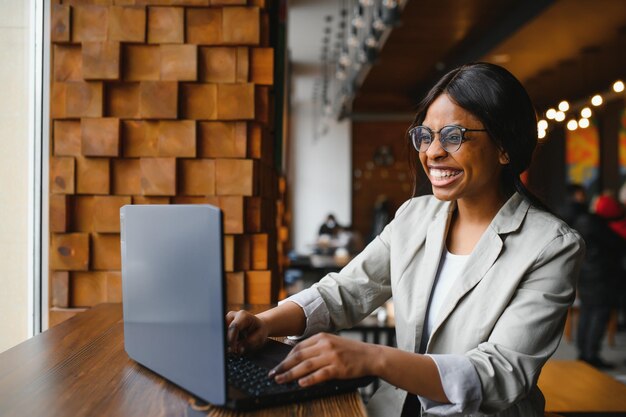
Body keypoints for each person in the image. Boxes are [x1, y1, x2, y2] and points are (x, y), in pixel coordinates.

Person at [226, 63, 585, 417]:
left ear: (505, 147)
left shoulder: (551, 246)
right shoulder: (415, 215)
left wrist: (374, 358)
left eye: (454, 136)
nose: (432, 152)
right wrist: (266, 323)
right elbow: (346, 290)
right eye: (425, 136)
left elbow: (500, 375)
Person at [573, 194, 624, 369]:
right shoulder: (600, 226)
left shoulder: (584, 220)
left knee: (587, 313)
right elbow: (619, 244)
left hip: (586, 275)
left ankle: (583, 353)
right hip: (601, 277)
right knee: (599, 315)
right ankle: (591, 356)